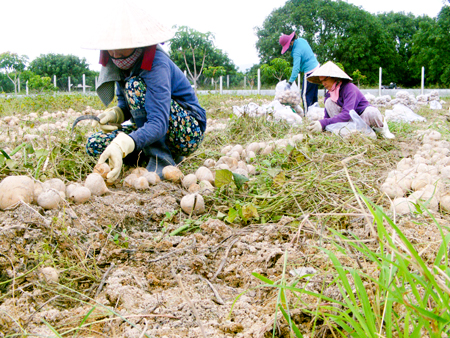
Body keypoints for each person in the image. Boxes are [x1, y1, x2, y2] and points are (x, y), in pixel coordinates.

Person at [82, 2, 207, 183]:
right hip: (151, 127)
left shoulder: (156, 63)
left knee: (134, 86)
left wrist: (123, 143)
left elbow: (158, 121)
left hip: (186, 131)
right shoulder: (119, 63)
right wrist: (117, 113)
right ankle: (153, 154)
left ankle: (161, 160)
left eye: (122, 45)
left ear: (136, 42)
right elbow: (127, 106)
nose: (115, 53)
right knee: (96, 144)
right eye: (111, 46)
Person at [306, 61, 395, 139]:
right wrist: (321, 125)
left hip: (362, 117)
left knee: (372, 112)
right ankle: (354, 132)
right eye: (321, 81)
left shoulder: (349, 89)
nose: (323, 83)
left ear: (334, 78)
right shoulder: (329, 94)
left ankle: (379, 131)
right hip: (349, 123)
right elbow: (327, 117)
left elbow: (346, 114)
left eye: (325, 79)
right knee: (329, 102)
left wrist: (323, 123)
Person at [279, 32, 320, 114]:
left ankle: (307, 115)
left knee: (305, 95)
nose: (288, 49)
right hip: (317, 68)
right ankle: (316, 112)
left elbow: (296, 68)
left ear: (291, 42)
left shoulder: (296, 52)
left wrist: (290, 82)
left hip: (310, 72)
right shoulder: (301, 40)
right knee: (313, 95)